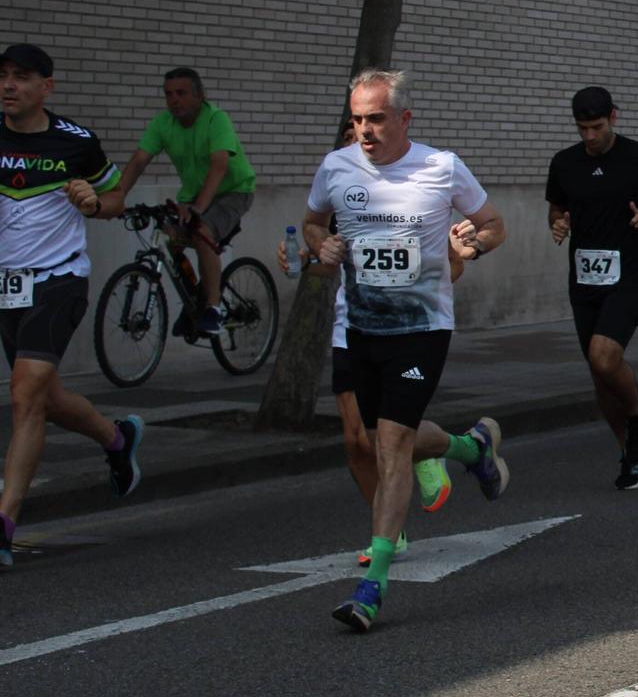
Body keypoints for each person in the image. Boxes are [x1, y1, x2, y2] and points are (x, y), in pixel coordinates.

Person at [304, 70, 510, 632]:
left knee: (393, 443)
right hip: (359, 326)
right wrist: (318, 245)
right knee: (379, 440)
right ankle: (471, 448)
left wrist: (474, 241)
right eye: (356, 120)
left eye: (374, 119)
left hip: (422, 327)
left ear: (403, 120)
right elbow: (311, 222)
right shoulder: (336, 167)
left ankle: (373, 586)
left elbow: (494, 225)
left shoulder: (441, 167)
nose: (364, 131)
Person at [287, 119, 459, 564]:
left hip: (408, 329)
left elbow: (453, 269)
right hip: (353, 326)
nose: (358, 149)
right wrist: (308, 258)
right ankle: (399, 513)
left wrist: (449, 259)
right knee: (356, 441)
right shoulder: (343, 196)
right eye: (349, 141)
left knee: (388, 438)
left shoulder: (414, 194)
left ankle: (391, 528)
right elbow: (322, 256)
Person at [3, 44, 142, 567]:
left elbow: (114, 202)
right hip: (7, 285)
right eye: (3, 77)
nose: (9, 86)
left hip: (59, 279)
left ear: (47, 86)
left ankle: (5, 522)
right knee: (44, 399)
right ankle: (117, 437)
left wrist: (93, 201)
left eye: (21, 77)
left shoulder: (75, 142)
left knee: (23, 393)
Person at [546, 86, 638, 489]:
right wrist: (558, 223)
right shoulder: (564, 162)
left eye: (597, 126)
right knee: (598, 373)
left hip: (632, 271)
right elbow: (557, 208)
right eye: (582, 128)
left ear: (613, 118)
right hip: (585, 276)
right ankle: (631, 452)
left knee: (604, 356)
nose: (590, 136)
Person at [97, 67, 257, 336]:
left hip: (233, 190)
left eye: (181, 93)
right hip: (194, 194)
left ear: (200, 96)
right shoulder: (162, 123)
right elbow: (138, 161)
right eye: (168, 94)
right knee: (168, 237)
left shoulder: (216, 119)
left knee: (202, 231)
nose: (174, 100)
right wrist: (116, 198)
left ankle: (213, 308)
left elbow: (219, 166)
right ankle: (196, 296)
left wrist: (197, 209)